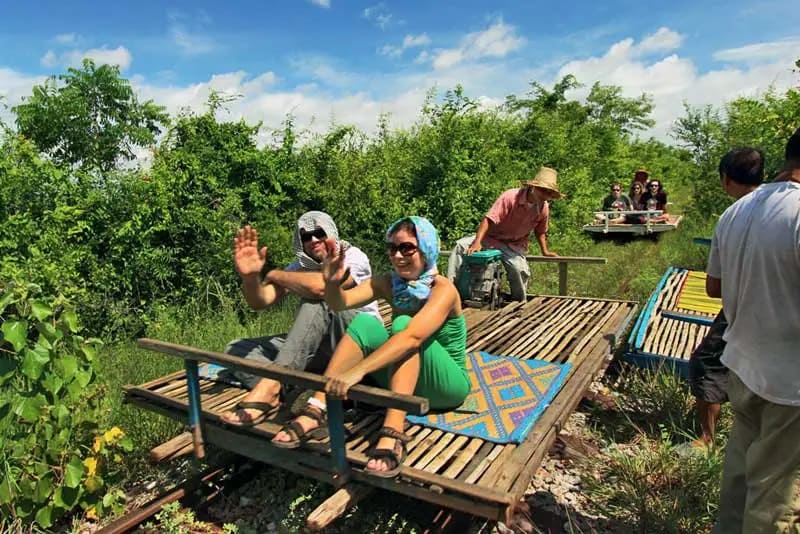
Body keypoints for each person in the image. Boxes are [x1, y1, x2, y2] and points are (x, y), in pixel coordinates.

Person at [272, 217, 470, 478]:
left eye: (407, 248)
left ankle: (393, 430)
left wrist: (357, 371)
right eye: (392, 249)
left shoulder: (442, 289)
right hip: (405, 381)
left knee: (401, 324)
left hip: (446, 387)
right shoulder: (388, 283)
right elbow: (341, 303)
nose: (398, 256)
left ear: (427, 248)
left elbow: (411, 337)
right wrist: (332, 281)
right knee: (365, 322)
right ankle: (317, 407)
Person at [708, 131, 800, 533]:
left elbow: (715, 286)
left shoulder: (736, 211)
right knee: (774, 496)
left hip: (743, 364)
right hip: (789, 381)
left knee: (741, 476)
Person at [220, 211, 380, 426]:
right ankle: (297, 391)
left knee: (318, 300)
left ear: (331, 232)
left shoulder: (351, 256)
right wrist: (250, 279)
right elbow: (260, 301)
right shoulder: (299, 267)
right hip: (322, 346)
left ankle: (275, 384)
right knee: (236, 349)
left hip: (357, 341)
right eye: (306, 236)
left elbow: (321, 289)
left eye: (319, 233)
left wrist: (274, 274)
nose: (313, 240)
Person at [687, 148, 764, 450]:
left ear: (725, 179)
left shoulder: (732, 216)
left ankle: (707, 439)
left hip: (745, 308)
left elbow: (713, 288)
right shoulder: (788, 205)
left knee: (707, 363)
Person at [446, 166, 563, 302]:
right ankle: (449, 292)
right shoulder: (511, 197)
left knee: (519, 270)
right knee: (460, 246)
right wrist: (477, 241)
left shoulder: (543, 208)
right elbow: (488, 219)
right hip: (491, 238)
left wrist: (545, 251)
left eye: (549, 193)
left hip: (514, 244)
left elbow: (540, 231)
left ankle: (519, 302)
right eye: (543, 191)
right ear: (534, 188)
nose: (545, 195)